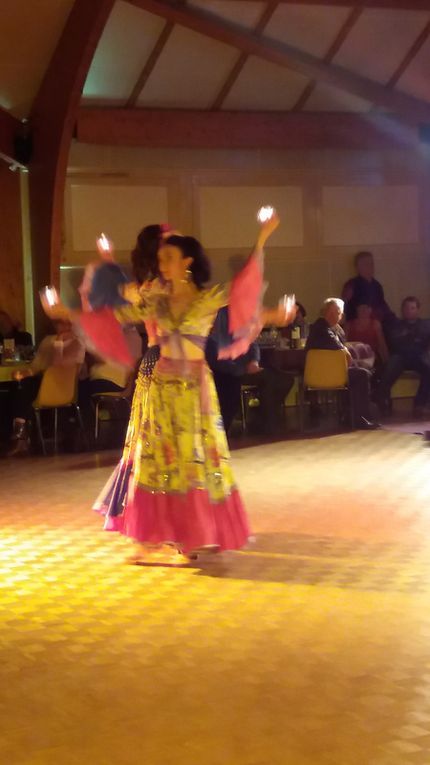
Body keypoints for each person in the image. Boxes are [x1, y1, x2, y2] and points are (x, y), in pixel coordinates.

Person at [44, 214, 295, 566]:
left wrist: (264, 250)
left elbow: (244, 297)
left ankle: (188, 537)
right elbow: (114, 316)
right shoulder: (154, 301)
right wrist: (67, 312)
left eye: (168, 259)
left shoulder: (208, 298)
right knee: (157, 461)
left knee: (191, 462)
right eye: (160, 259)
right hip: (160, 387)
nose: (161, 265)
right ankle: (150, 537)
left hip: (194, 391)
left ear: (186, 262)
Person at [206, 306, 294, 434]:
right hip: (230, 374)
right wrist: (241, 369)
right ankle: (265, 422)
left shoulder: (239, 330)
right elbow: (217, 361)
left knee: (284, 379)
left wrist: (254, 361)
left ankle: (261, 414)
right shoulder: (212, 338)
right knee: (269, 380)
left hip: (246, 368)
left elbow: (253, 345)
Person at [6, 319, 85, 456]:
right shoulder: (48, 340)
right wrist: (25, 373)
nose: (63, 326)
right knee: (19, 386)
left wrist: (59, 343)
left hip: (62, 386)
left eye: (66, 323)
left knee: (26, 387)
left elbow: (58, 366)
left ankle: (21, 435)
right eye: (59, 323)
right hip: (41, 382)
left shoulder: (77, 343)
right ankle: (20, 435)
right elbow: (37, 366)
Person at [306, 298, 378, 430]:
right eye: (332, 312)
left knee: (360, 373)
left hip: (328, 372)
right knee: (361, 375)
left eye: (338, 312)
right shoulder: (321, 326)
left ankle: (349, 414)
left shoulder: (333, 328)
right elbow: (336, 345)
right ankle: (359, 418)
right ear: (324, 312)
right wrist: (345, 349)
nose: (335, 315)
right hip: (326, 373)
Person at [377, 296, 430, 415]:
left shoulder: (426, 325)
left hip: (419, 356)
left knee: (429, 368)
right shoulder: (395, 325)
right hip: (400, 356)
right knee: (389, 368)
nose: (409, 310)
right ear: (402, 309)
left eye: (412, 308)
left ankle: (420, 404)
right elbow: (392, 343)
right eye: (406, 308)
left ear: (417, 309)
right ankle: (381, 401)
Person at [342, 251, 394, 325]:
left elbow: (382, 305)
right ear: (358, 267)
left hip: (377, 322)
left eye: (372, 264)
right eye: (366, 264)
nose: (370, 266)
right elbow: (346, 306)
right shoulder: (351, 284)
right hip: (358, 323)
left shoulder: (377, 285)